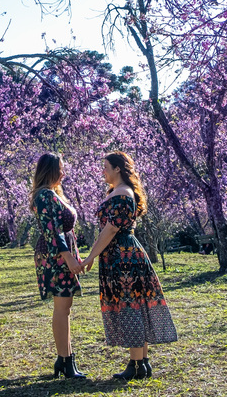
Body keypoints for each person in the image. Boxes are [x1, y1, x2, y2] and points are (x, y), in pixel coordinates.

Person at [81, 151, 177, 380]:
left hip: (122, 256)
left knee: (130, 304)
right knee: (135, 303)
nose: (102, 171)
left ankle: (135, 365)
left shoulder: (122, 194)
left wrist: (91, 256)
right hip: (122, 254)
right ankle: (141, 362)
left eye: (106, 167)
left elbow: (111, 229)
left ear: (117, 169)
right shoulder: (119, 192)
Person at [30, 152, 86, 379]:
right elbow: (52, 230)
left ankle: (66, 359)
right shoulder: (44, 196)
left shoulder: (53, 194)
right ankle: (64, 361)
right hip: (54, 256)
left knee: (66, 307)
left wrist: (77, 255)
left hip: (62, 254)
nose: (63, 173)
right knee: (62, 308)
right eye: (60, 169)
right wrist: (68, 257)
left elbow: (67, 230)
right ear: (50, 170)